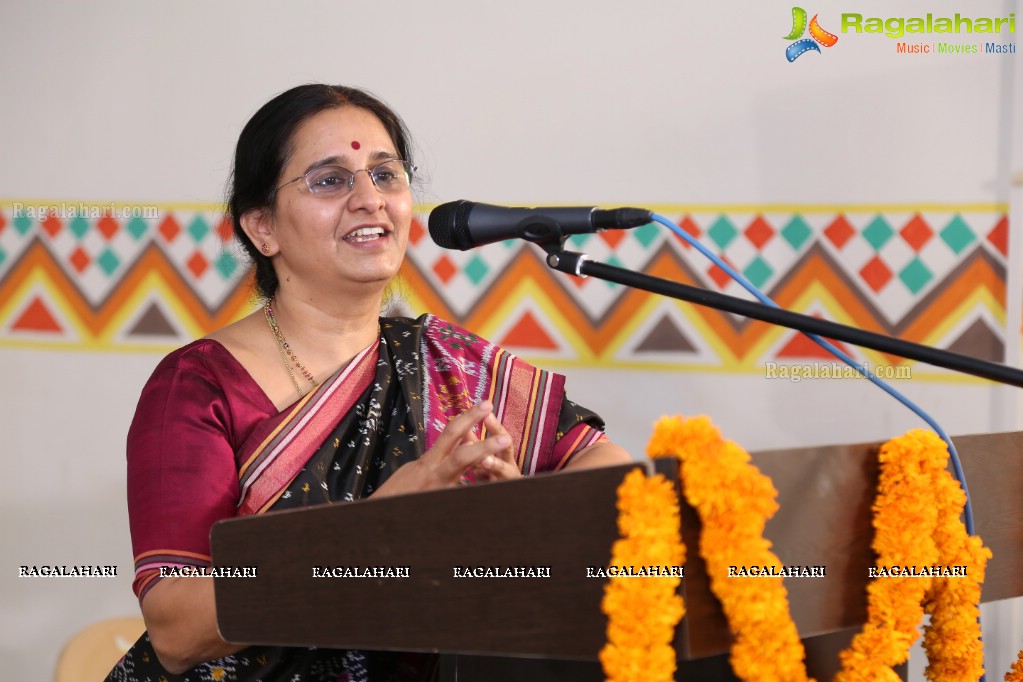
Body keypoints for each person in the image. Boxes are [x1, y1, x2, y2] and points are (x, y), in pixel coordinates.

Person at [106, 84, 632, 682]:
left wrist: (520, 514)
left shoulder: (455, 366)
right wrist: (376, 532)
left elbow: (614, 484)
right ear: (261, 228)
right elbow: (176, 627)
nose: (368, 200)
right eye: (329, 181)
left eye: (385, 175)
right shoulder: (199, 385)